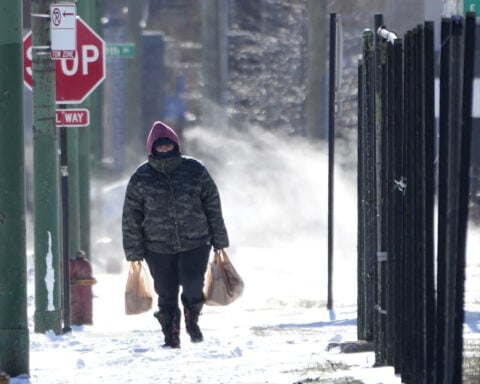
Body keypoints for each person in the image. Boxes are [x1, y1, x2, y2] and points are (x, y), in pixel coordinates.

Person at [122, 121, 229, 348]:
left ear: (175, 145)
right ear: (152, 148)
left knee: (193, 284)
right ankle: (170, 334)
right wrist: (133, 250)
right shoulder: (140, 177)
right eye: (159, 146)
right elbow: (131, 216)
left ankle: (192, 318)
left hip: (196, 242)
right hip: (157, 247)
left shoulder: (195, 171)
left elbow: (212, 205)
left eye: (167, 145)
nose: (163, 149)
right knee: (166, 292)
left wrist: (219, 239)